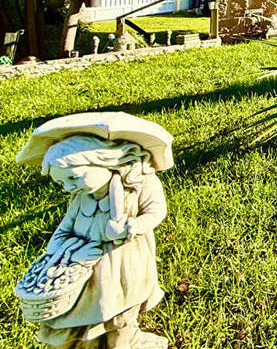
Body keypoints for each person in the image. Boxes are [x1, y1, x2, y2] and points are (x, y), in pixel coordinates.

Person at [15, 113, 173, 349]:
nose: (68, 187)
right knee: (80, 321)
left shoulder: (139, 184)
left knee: (120, 317)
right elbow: (63, 230)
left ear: (103, 161)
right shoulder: (80, 197)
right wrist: (65, 254)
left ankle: (121, 343)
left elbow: (156, 211)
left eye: (73, 178)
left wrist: (132, 226)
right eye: (62, 183)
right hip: (84, 270)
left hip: (124, 266)